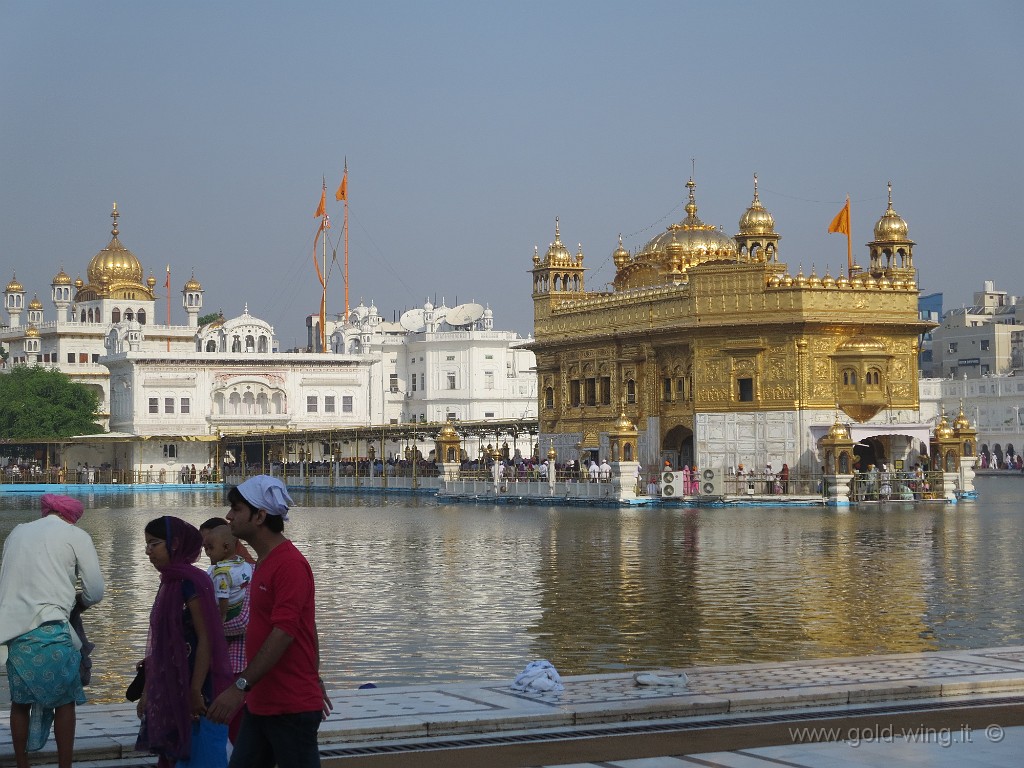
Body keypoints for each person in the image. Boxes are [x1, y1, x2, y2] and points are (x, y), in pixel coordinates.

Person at [208, 475, 332, 768]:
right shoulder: (264, 561)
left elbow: (285, 632)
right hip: (263, 701)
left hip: (289, 705)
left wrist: (239, 685)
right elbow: (307, 624)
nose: (229, 516)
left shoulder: (288, 564)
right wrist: (315, 675)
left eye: (237, 509)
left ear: (260, 515)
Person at [0, 494, 105, 768]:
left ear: (45, 511)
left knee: (20, 700)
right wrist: (77, 604)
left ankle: (22, 763)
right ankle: (64, 765)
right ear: (72, 516)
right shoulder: (76, 535)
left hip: (14, 631)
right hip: (53, 628)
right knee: (64, 700)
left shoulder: (17, 532)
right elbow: (95, 591)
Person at [138, 516, 231, 768]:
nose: (148, 551)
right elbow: (162, 643)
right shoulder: (169, 582)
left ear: (175, 544)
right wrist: (148, 690)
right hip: (172, 686)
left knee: (201, 756)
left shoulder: (191, 582)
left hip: (198, 690)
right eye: (146, 544)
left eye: (154, 544)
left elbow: (206, 639)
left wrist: (195, 691)